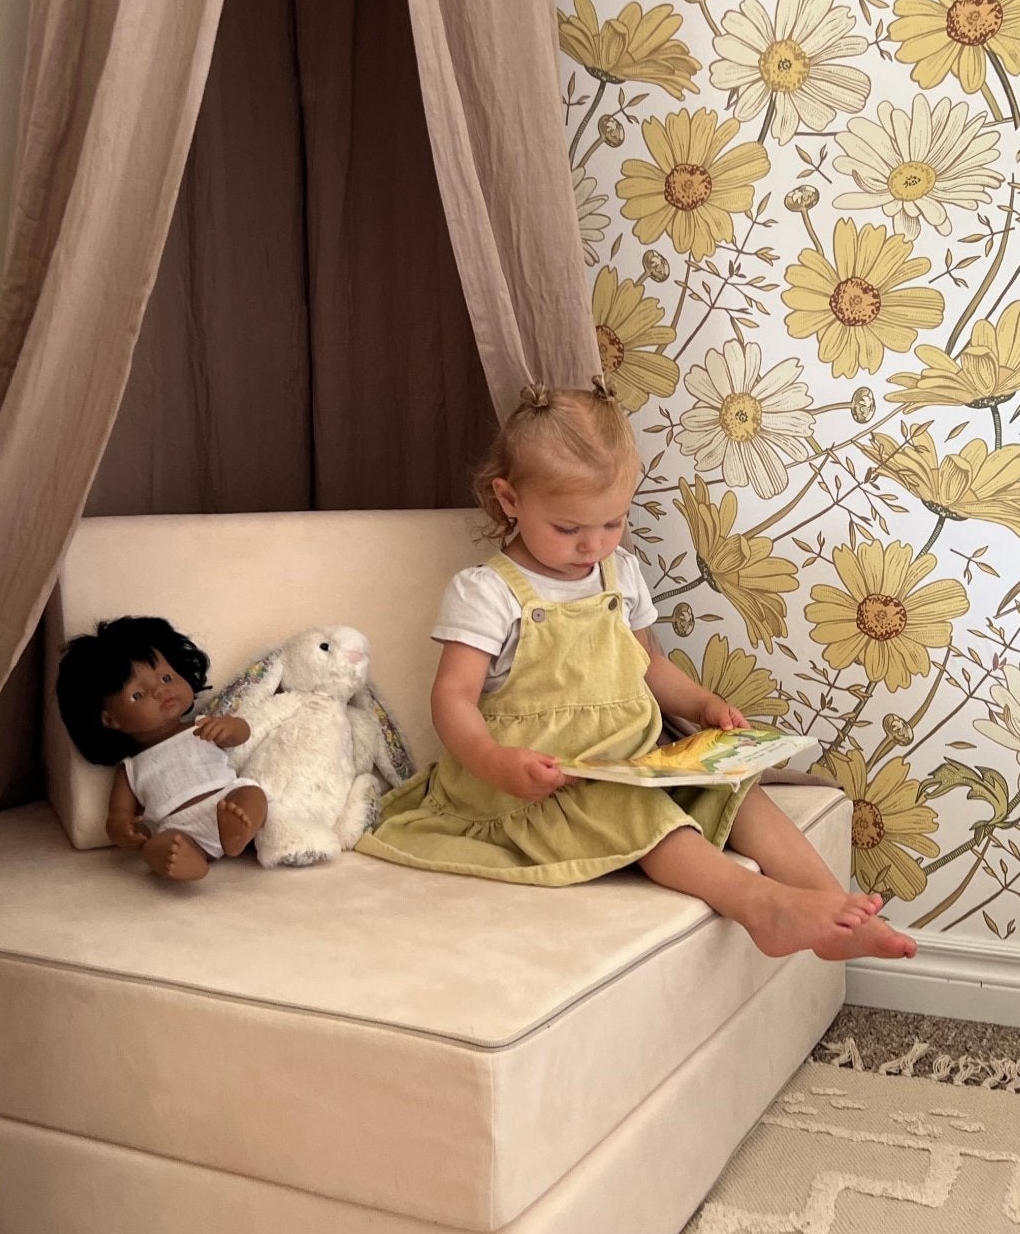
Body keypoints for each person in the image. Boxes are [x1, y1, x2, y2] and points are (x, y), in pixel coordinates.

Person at [355, 380, 916, 962]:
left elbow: (647, 663)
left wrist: (701, 707)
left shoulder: (619, 573)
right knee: (638, 813)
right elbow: (452, 699)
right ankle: (761, 906)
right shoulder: (488, 592)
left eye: (612, 523)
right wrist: (498, 763)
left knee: (737, 792)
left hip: (628, 760)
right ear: (510, 499)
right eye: (568, 528)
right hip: (536, 786)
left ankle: (832, 908)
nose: (591, 545)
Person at [56, 616, 267, 881]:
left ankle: (237, 833)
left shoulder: (201, 726)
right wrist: (122, 830)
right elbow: (119, 814)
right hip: (177, 828)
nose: (160, 691)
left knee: (252, 792)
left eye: (166, 677)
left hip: (226, 802)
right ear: (111, 720)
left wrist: (229, 727)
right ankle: (189, 862)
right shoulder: (130, 769)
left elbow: (242, 734)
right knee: (156, 847)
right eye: (137, 695)